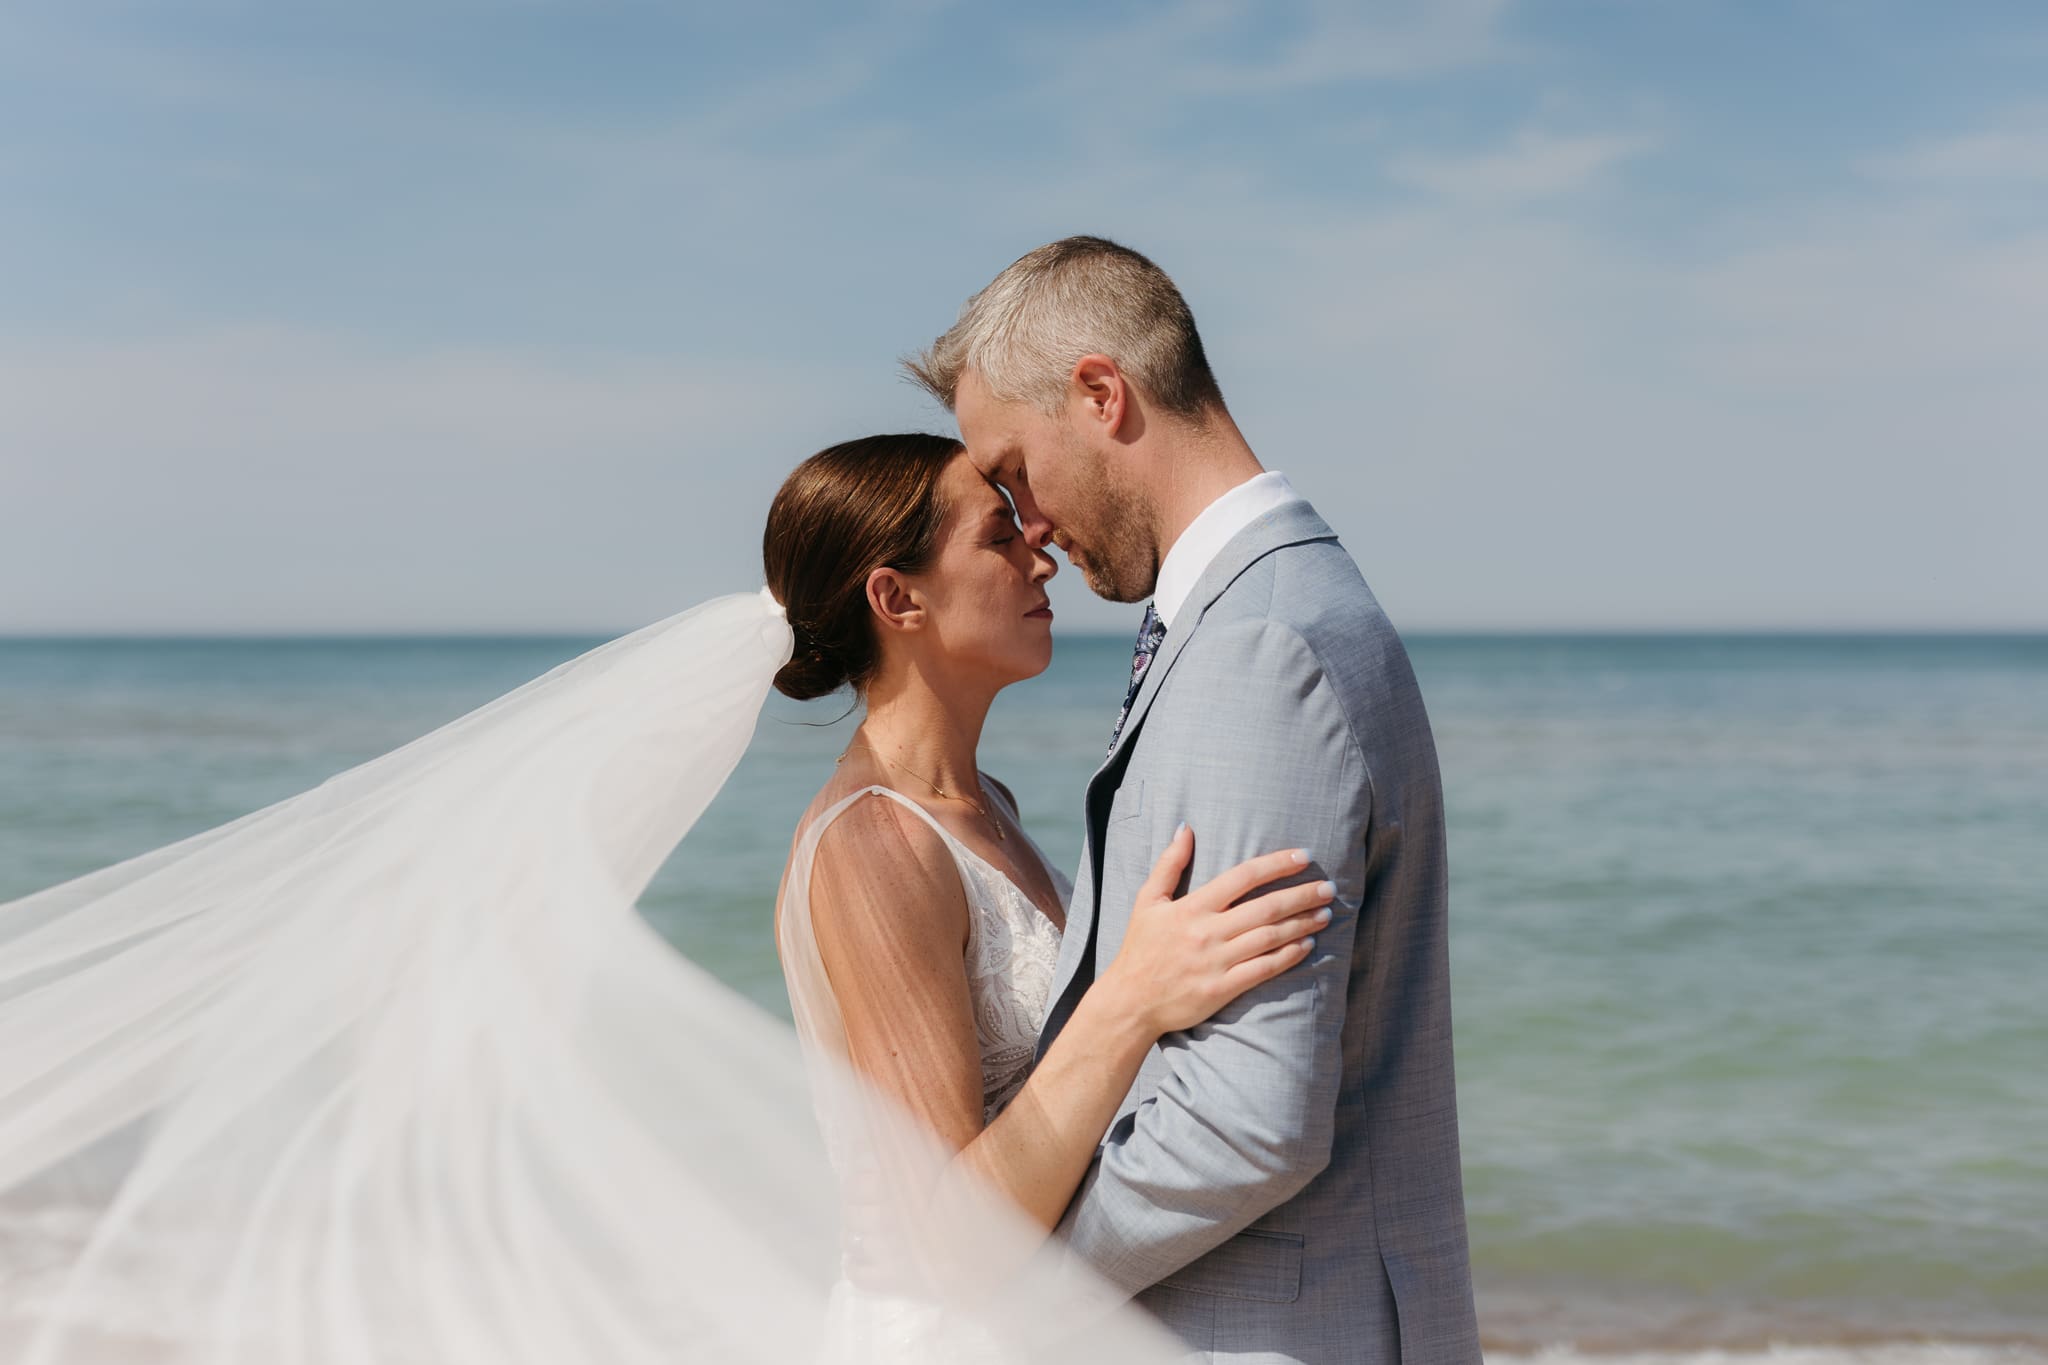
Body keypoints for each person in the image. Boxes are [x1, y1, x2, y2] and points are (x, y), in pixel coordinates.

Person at [906, 235, 1483, 1364]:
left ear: (1099, 394)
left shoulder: (1257, 646)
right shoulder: (1262, 608)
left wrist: (1013, 1290)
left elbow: (1239, 1125)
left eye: (1015, 469)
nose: (1023, 522)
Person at [761, 433, 1333, 1359]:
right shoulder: (874, 844)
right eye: (999, 537)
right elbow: (945, 1236)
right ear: (897, 598)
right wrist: (1134, 999)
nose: (1045, 552)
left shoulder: (988, 806)